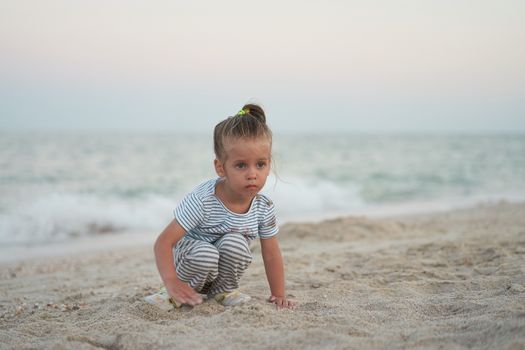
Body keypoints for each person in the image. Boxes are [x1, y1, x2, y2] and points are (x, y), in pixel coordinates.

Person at [152, 104, 294, 309]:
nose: (252, 174)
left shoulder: (263, 207)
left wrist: (278, 294)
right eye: (241, 165)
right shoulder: (203, 200)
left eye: (260, 164)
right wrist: (171, 281)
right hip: (190, 263)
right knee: (206, 252)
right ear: (221, 168)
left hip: (218, 270)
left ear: (269, 164)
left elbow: (271, 253)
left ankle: (223, 290)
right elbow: (163, 243)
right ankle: (176, 294)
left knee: (236, 243)